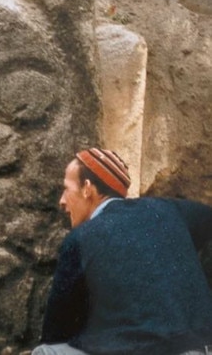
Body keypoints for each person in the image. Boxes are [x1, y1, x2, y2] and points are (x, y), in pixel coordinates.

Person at [33, 147, 212, 355]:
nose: (62, 202)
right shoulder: (169, 209)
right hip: (203, 348)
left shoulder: (81, 238)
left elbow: (56, 329)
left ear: (87, 189)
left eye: (66, 189)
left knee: (46, 351)